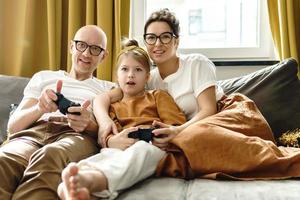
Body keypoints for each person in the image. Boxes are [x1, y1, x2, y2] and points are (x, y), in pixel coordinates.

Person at [94, 8, 300, 181]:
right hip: (195, 132)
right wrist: (104, 124)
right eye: (151, 37)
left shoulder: (196, 63)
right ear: (146, 42)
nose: (158, 44)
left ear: (177, 41)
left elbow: (209, 109)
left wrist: (177, 132)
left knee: (192, 136)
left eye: (165, 36)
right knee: (182, 142)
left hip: (228, 115)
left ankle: (291, 160)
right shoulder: (147, 78)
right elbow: (103, 98)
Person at [57, 39, 186, 200]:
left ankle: (89, 182)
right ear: (117, 76)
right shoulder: (112, 105)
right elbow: (108, 134)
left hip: (150, 146)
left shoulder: (157, 96)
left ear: (147, 77)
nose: (130, 74)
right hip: (119, 148)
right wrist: (112, 141)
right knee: (104, 156)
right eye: (125, 69)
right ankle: (80, 184)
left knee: (140, 152)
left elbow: (175, 126)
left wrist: (160, 135)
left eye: (138, 70)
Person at [0, 25, 116, 200]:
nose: (86, 54)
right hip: (33, 133)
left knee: (50, 156)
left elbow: (108, 134)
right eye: (81, 45)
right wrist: (40, 108)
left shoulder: (109, 89)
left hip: (75, 136)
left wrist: (89, 125)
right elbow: (13, 127)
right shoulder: (43, 77)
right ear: (71, 46)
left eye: (95, 49)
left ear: (103, 56)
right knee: (4, 159)